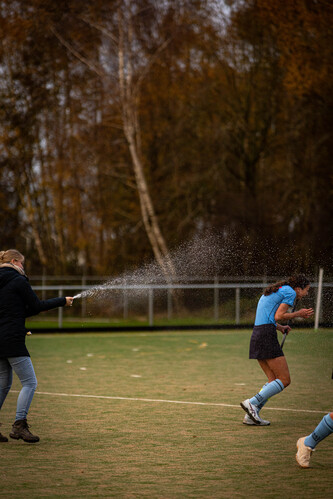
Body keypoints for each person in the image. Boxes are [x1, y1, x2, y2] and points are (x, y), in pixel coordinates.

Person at [0, 249, 73, 443]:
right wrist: (62, 301)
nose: (23, 267)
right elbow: (36, 306)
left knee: (3, 384)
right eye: (22, 264)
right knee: (29, 383)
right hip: (11, 339)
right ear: (15, 262)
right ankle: (19, 426)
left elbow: (10, 309)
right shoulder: (18, 280)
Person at [240, 274, 314, 426]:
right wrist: (298, 314)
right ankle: (252, 403)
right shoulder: (290, 292)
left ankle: (251, 415)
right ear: (298, 288)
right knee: (285, 380)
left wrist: (280, 328)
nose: (306, 293)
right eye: (306, 290)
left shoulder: (278, 289)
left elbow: (268, 316)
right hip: (266, 335)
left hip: (258, 333)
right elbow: (279, 315)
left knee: (273, 380)